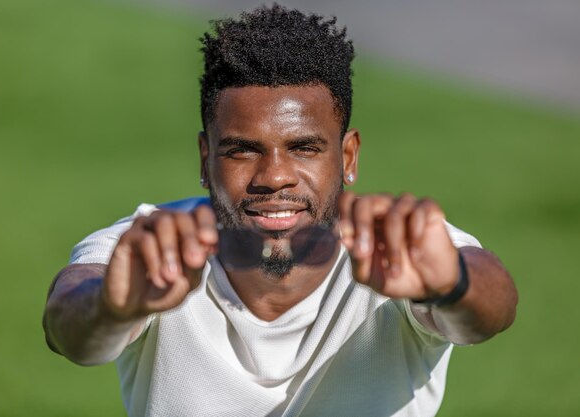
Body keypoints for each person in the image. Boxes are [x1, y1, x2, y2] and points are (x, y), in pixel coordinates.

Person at [43, 4, 518, 417]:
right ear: (204, 158)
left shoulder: (399, 249)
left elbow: (490, 312)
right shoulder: (153, 245)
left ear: (348, 157)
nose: (274, 176)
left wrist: (451, 284)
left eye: (304, 148)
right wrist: (111, 307)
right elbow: (72, 331)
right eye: (242, 150)